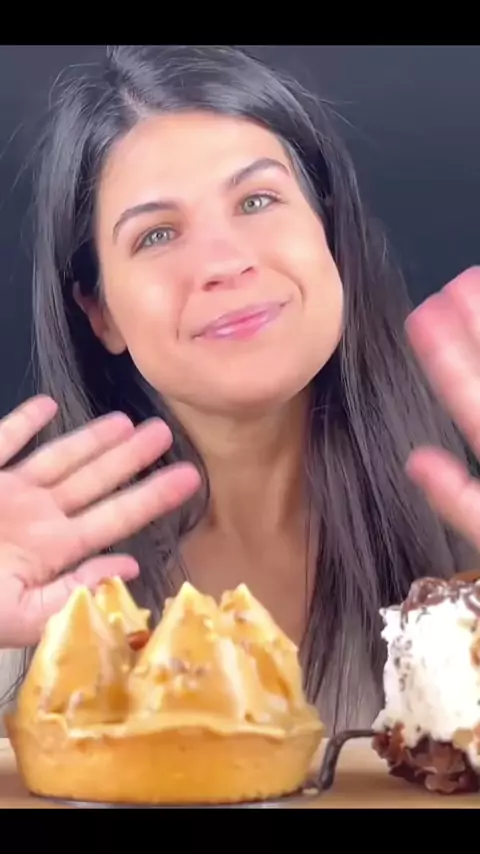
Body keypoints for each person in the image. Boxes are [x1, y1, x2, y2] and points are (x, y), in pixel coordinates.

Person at [0, 44, 478, 732]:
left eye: (257, 200)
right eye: (157, 235)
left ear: (328, 233)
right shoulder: (25, 565)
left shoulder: (464, 514)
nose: (224, 262)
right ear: (100, 312)